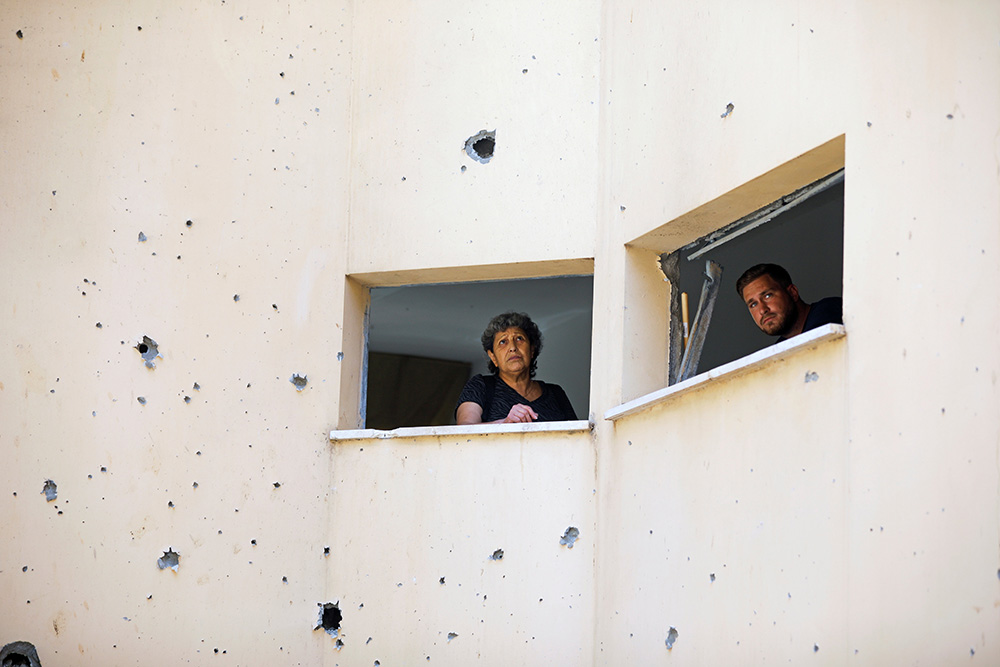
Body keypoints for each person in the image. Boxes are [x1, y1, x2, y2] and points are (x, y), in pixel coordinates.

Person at [455, 312, 577, 424]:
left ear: (532, 350)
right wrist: (505, 423)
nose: (512, 347)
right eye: (503, 342)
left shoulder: (555, 393)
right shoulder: (481, 386)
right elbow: (464, 431)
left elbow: (577, 438)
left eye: (519, 339)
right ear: (493, 357)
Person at [735, 263, 842, 342]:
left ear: (792, 293)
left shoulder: (831, 312)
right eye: (753, 304)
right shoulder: (778, 352)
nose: (762, 310)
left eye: (768, 296)